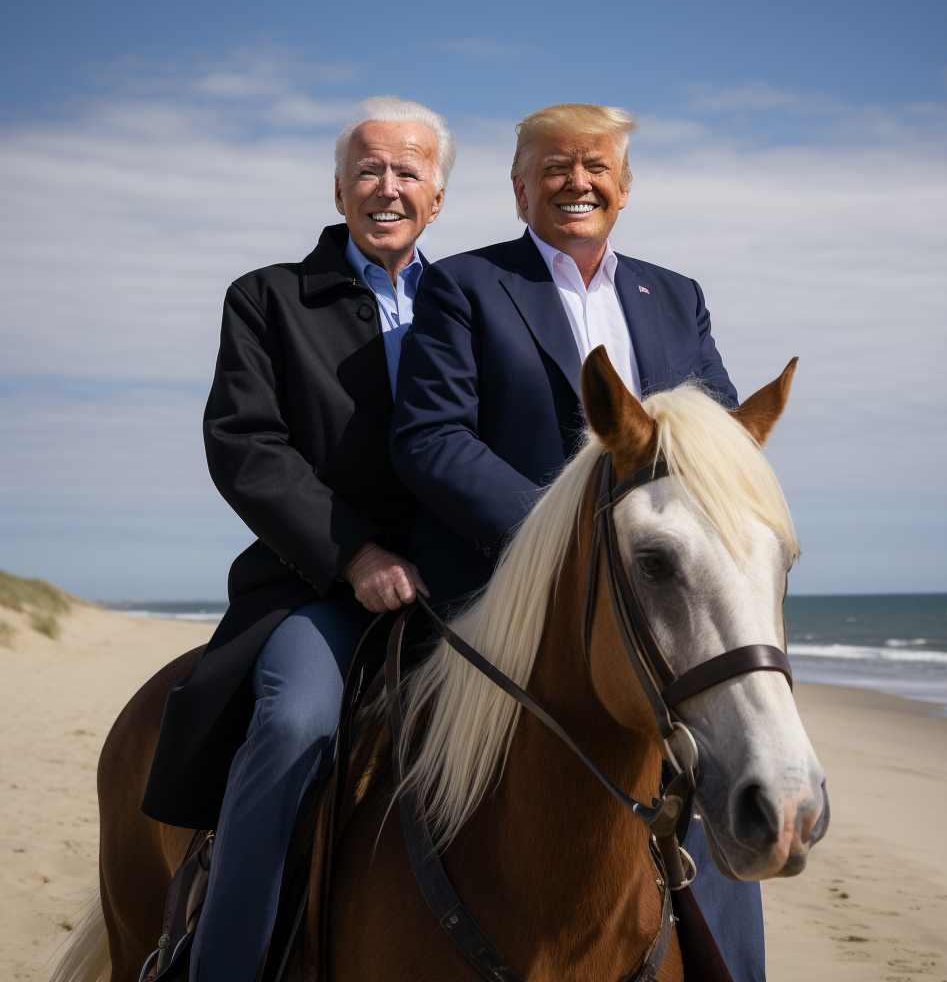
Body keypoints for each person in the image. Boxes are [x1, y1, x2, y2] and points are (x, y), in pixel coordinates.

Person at [390, 103, 764, 981]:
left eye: (596, 166)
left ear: (625, 190)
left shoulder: (678, 296)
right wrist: (556, 547)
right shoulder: (467, 286)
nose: (576, 181)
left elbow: (719, 447)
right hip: (499, 599)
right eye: (553, 168)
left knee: (717, 767)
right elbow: (431, 438)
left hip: (656, 606)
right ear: (520, 189)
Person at [140, 94, 455, 982]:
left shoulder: (477, 299)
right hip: (318, 586)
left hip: (466, 581)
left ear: (439, 195)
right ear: (338, 186)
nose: (387, 187)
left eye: (408, 171)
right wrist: (355, 554)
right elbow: (245, 447)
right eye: (368, 169)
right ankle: (221, 962)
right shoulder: (266, 298)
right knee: (295, 721)